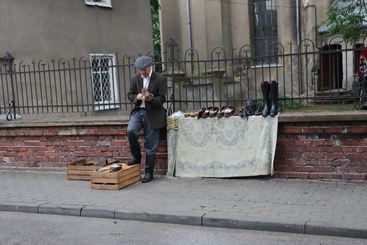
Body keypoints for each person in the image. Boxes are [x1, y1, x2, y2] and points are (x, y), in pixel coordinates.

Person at [127, 56, 167, 183]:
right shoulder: (135, 79)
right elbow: (130, 95)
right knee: (131, 131)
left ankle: (149, 173)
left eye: (143, 70)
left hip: (153, 114)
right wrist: (137, 97)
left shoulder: (160, 78)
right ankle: (136, 157)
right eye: (139, 70)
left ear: (149, 67)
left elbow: (162, 99)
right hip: (138, 112)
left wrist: (151, 99)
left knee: (151, 145)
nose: (141, 72)